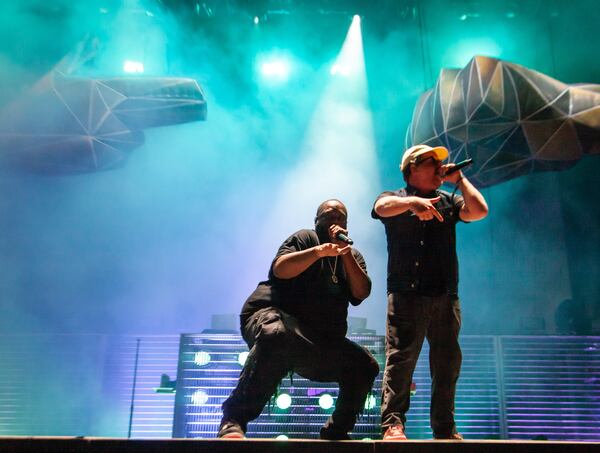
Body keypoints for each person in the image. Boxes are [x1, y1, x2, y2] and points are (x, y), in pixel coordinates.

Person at [218, 199, 380, 440]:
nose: (335, 219)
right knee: (277, 334)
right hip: (271, 317)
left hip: (314, 337)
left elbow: (361, 292)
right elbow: (280, 269)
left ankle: (336, 430)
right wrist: (319, 252)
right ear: (317, 222)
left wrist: (345, 255)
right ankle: (234, 419)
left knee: (364, 365)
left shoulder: (352, 256)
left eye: (341, 217)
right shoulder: (306, 238)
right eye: (329, 215)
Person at [372, 144, 488, 440]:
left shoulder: (449, 201)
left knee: (446, 364)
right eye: (431, 162)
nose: (439, 167)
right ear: (412, 167)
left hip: (445, 296)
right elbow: (379, 208)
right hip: (406, 294)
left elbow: (479, 210)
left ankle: (445, 428)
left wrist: (459, 180)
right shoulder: (394, 198)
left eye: (441, 163)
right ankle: (393, 424)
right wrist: (413, 203)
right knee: (401, 361)